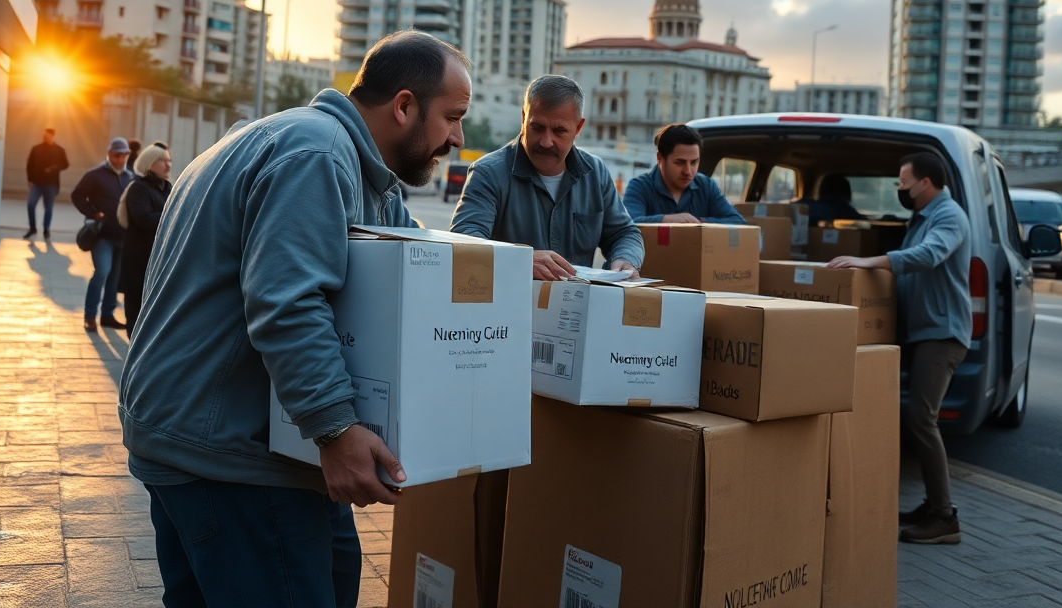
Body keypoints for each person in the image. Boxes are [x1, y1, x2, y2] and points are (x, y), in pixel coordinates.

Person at [119, 30, 468, 607]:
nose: (457, 137)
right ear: (404, 106)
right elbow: (288, 303)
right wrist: (335, 429)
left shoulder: (352, 164)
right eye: (452, 117)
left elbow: (411, 249)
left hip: (204, 433)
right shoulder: (315, 155)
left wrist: (505, 266)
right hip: (230, 454)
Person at [827, 152, 970, 546]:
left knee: (922, 420)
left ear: (925, 183)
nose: (900, 189)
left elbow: (928, 256)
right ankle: (932, 506)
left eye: (903, 183)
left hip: (942, 334)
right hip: (925, 331)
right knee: (919, 418)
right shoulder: (923, 217)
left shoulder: (949, 216)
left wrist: (870, 261)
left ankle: (944, 518)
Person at [450, 74, 643, 280]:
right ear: (524, 119)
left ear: (578, 128)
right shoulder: (488, 173)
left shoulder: (595, 173)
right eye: (537, 128)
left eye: (559, 131)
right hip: (511, 305)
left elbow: (624, 233)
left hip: (574, 307)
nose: (546, 142)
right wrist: (521, 260)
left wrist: (625, 259)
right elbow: (465, 240)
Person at [621, 124, 747, 225]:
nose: (688, 171)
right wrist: (667, 220)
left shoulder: (706, 186)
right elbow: (627, 224)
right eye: (679, 162)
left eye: (694, 163)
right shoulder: (639, 187)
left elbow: (738, 222)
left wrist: (699, 223)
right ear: (659, 158)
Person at [71, 138, 135, 332]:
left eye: (125, 155)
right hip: (102, 236)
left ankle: (107, 316)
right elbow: (77, 195)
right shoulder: (95, 175)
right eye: (117, 155)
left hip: (122, 236)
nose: (121, 158)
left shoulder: (130, 177)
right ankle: (90, 316)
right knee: (102, 272)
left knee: (115, 277)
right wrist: (92, 212)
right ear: (109, 153)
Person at [117, 143, 172, 337]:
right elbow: (144, 219)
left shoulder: (167, 187)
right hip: (138, 260)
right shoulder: (138, 188)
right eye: (163, 161)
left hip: (159, 260)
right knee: (135, 312)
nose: (168, 165)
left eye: (169, 160)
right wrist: (171, 216)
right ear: (149, 164)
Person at [26, 127, 69, 240]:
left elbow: (66, 164)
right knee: (31, 204)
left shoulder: (59, 150)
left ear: (52, 136)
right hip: (36, 184)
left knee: (48, 208)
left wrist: (55, 168)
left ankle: (46, 230)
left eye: (48, 135)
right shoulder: (36, 149)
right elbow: (29, 165)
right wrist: (30, 180)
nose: (45, 137)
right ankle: (32, 228)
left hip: (51, 184)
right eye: (44, 135)